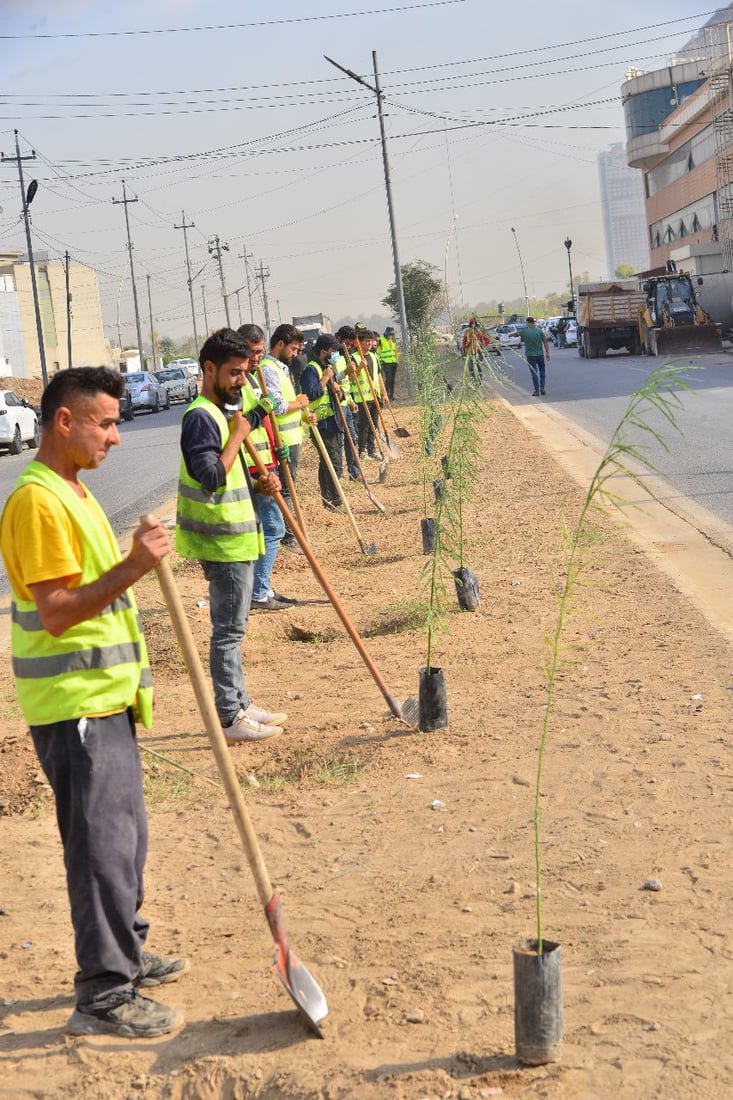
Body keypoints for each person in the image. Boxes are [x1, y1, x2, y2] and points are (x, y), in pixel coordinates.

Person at [0, 367, 186, 1039]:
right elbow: (55, 612)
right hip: (73, 705)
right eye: (105, 422)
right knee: (100, 849)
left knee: (125, 842)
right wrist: (133, 566)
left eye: (116, 421)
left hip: (107, 700)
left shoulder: (72, 491)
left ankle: (126, 950)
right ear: (64, 423)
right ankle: (105, 991)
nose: (116, 433)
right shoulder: (38, 502)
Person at [176, 328, 289, 741]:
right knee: (227, 632)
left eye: (245, 372)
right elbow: (208, 477)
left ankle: (241, 703)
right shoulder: (201, 418)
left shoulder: (222, 414)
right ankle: (229, 716)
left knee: (235, 628)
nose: (242, 380)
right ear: (209, 369)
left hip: (237, 538)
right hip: (221, 542)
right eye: (235, 372)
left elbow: (227, 476)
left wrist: (260, 484)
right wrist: (240, 435)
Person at [237, 324, 297, 612]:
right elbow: (240, 425)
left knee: (266, 529)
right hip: (253, 467)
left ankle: (262, 586)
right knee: (273, 527)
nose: (258, 357)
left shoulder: (253, 379)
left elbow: (265, 422)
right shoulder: (237, 383)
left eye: (260, 351)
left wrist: (277, 445)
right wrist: (261, 410)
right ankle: (259, 592)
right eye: (254, 352)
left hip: (267, 460)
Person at [259, 323, 310, 553]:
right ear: (280, 344)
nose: (296, 354)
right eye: (294, 349)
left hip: (290, 437)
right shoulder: (268, 368)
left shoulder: (280, 367)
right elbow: (277, 406)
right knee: (285, 490)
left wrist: (303, 414)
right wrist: (299, 404)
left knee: (289, 488)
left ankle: (290, 535)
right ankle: (289, 538)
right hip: (281, 441)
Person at [299, 333, 345, 509]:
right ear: (323, 351)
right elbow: (309, 394)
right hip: (321, 423)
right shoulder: (311, 370)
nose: (336, 354)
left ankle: (329, 500)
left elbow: (333, 395)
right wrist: (325, 379)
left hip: (333, 421)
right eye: (333, 351)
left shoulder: (327, 367)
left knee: (329, 463)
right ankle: (334, 500)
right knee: (333, 463)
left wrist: (339, 393)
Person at [334, 325, 361, 480]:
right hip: (337, 406)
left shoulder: (346, 357)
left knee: (352, 438)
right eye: (347, 343)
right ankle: (338, 474)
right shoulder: (333, 357)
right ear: (339, 339)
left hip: (346, 404)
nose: (349, 347)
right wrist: (346, 371)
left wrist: (350, 400)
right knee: (340, 441)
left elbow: (347, 382)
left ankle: (354, 472)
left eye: (351, 345)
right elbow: (333, 380)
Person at [518, 317, 551, 396]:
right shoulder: (539, 331)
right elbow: (545, 342)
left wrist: (511, 334)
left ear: (528, 323)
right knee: (542, 371)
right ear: (533, 322)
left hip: (530, 356)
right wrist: (547, 353)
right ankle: (542, 388)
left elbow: (517, 334)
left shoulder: (525, 331)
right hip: (540, 355)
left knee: (534, 373)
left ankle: (536, 390)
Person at [378, 326, 399, 400]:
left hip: (393, 362)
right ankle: (386, 395)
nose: (390, 336)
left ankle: (391, 396)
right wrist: (380, 361)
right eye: (390, 334)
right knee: (388, 379)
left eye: (392, 334)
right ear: (386, 333)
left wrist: (397, 360)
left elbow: (395, 350)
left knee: (392, 380)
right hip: (385, 362)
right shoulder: (380, 340)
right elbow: (378, 351)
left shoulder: (393, 339)